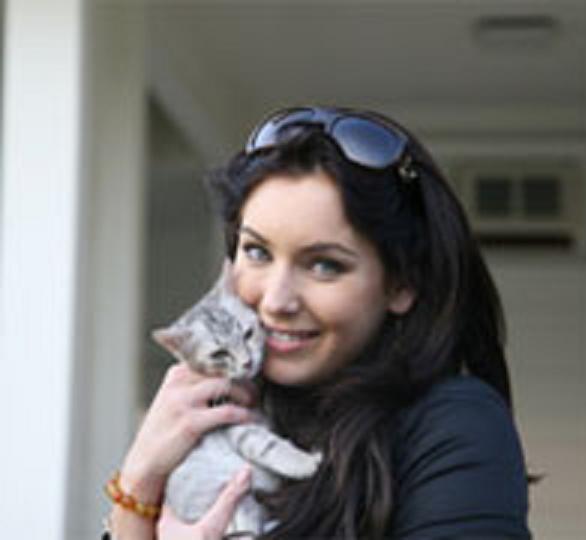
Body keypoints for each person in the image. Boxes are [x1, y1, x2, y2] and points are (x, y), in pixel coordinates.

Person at [105, 106, 531, 539]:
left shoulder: (453, 425)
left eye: (324, 265)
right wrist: (138, 485)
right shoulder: (223, 408)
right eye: (257, 252)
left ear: (402, 283)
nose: (276, 301)